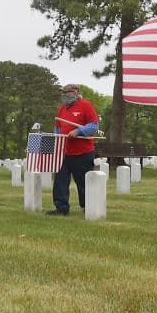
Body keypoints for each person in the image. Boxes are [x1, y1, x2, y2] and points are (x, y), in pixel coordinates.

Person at [48, 84, 99, 215]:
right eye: (62, 93)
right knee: (60, 181)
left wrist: (79, 131)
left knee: (83, 182)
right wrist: (57, 137)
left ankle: (88, 206)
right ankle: (61, 208)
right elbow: (58, 127)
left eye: (67, 93)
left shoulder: (86, 105)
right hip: (64, 152)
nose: (64, 95)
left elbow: (94, 125)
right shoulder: (62, 109)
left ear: (75, 93)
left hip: (82, 152)